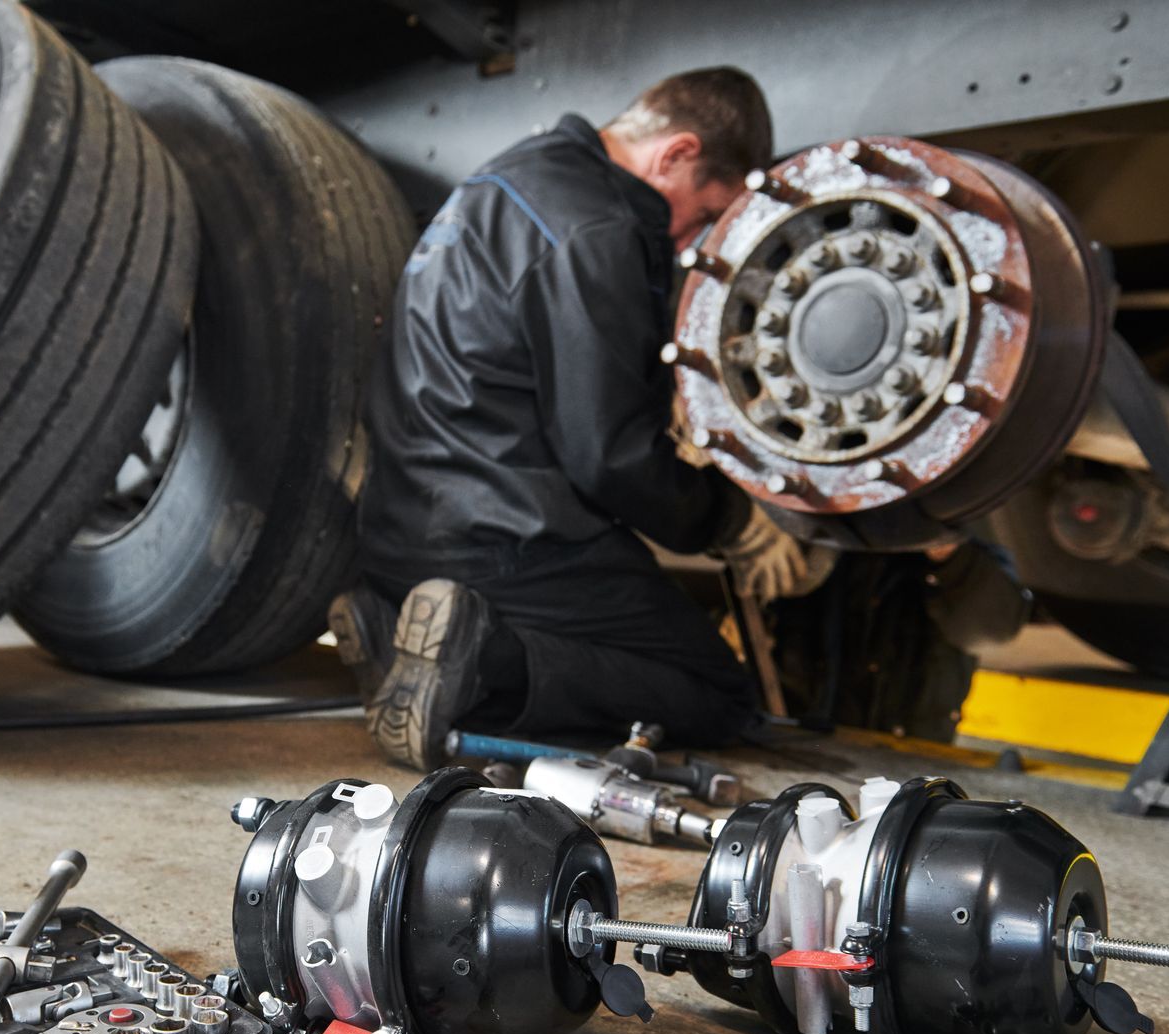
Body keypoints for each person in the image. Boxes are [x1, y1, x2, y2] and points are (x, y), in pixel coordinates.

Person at [329, 68, 813, 768]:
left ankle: (395, 624)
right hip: (501, 539)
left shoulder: (509, 177)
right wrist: (727, 520)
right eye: (706, 214)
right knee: (718, 693)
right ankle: (484, 662)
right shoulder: (600, 225)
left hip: (403, 525)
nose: (692, 244)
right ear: (675, 153)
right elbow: (609, 455)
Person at [772, 542, 1031, 743]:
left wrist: (948, 552)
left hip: (911, 752)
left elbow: (993, 630)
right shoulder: (809, 545)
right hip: (804, 742)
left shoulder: (961, 551)